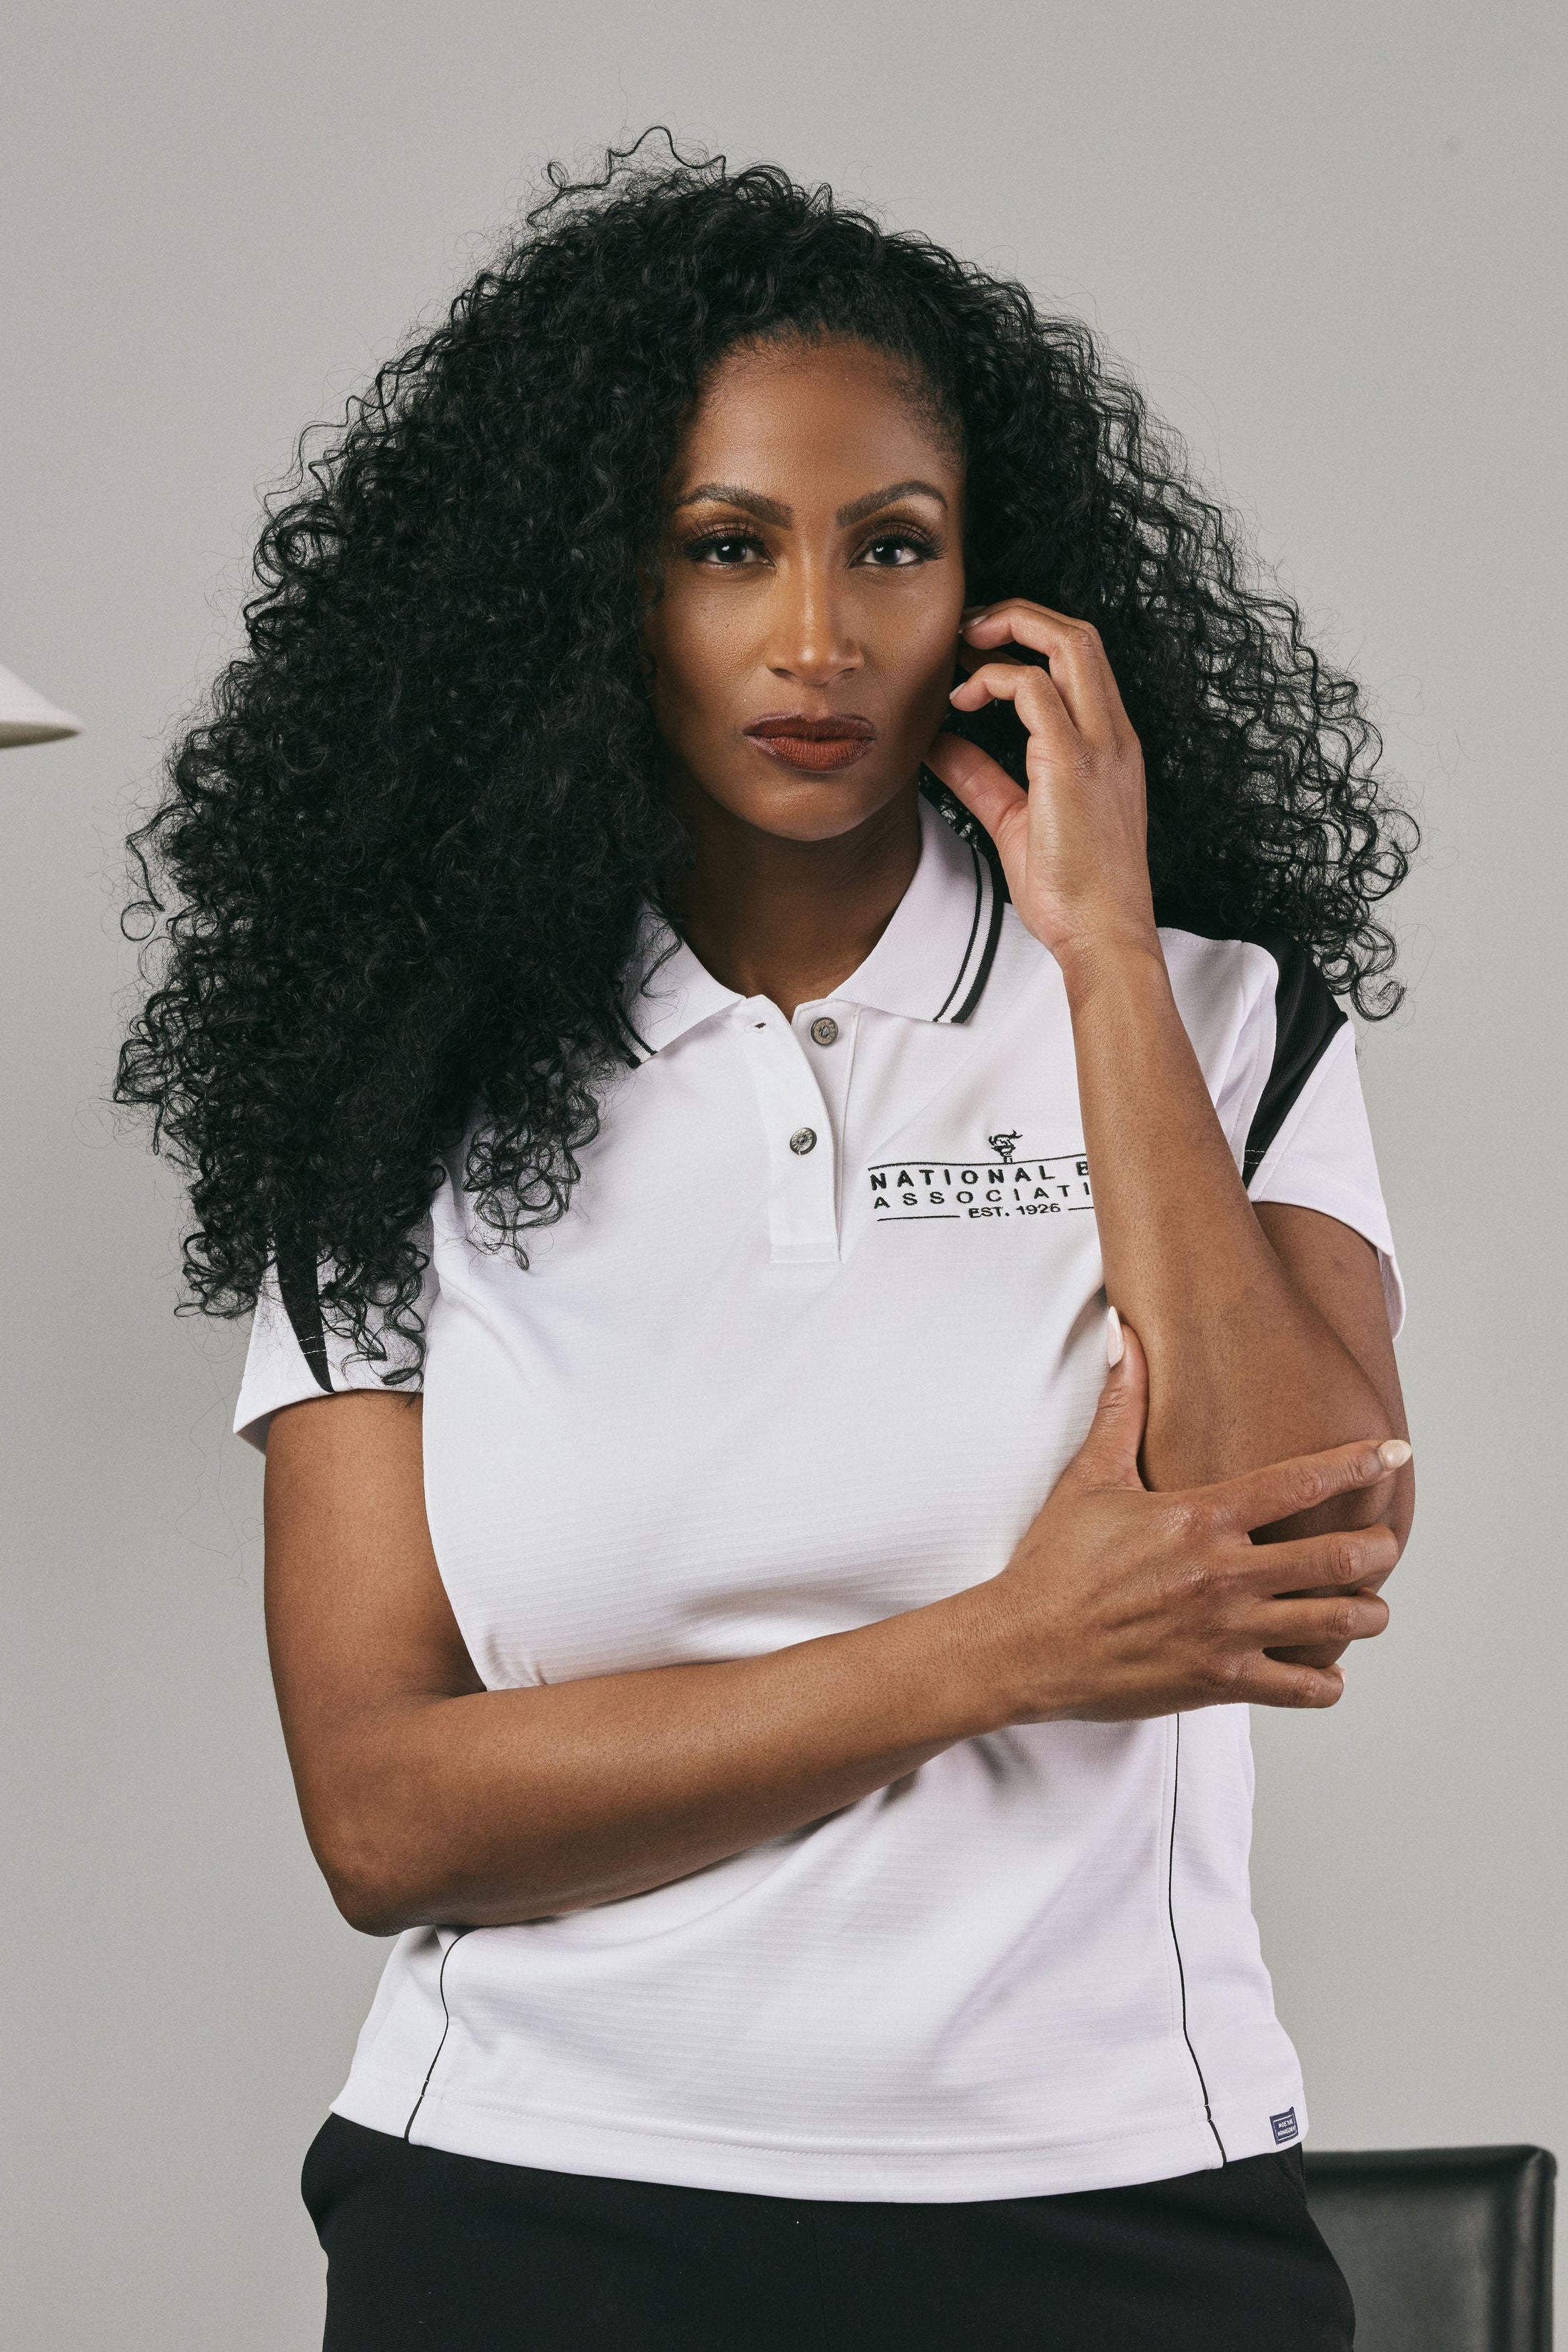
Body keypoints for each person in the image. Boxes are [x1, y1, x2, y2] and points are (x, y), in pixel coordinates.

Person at [119, 137, 1417, 2351]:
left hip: (1114, 2201)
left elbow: (1290, 1543)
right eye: (724, 550)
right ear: (591, 600)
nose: (815, 640)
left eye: (889, 548)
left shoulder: (1211, 1018)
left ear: (996, 594)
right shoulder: (406, 1091)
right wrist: (1005, 1648)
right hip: (535, 2209)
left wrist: (1098, 947)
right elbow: (386, 1810)